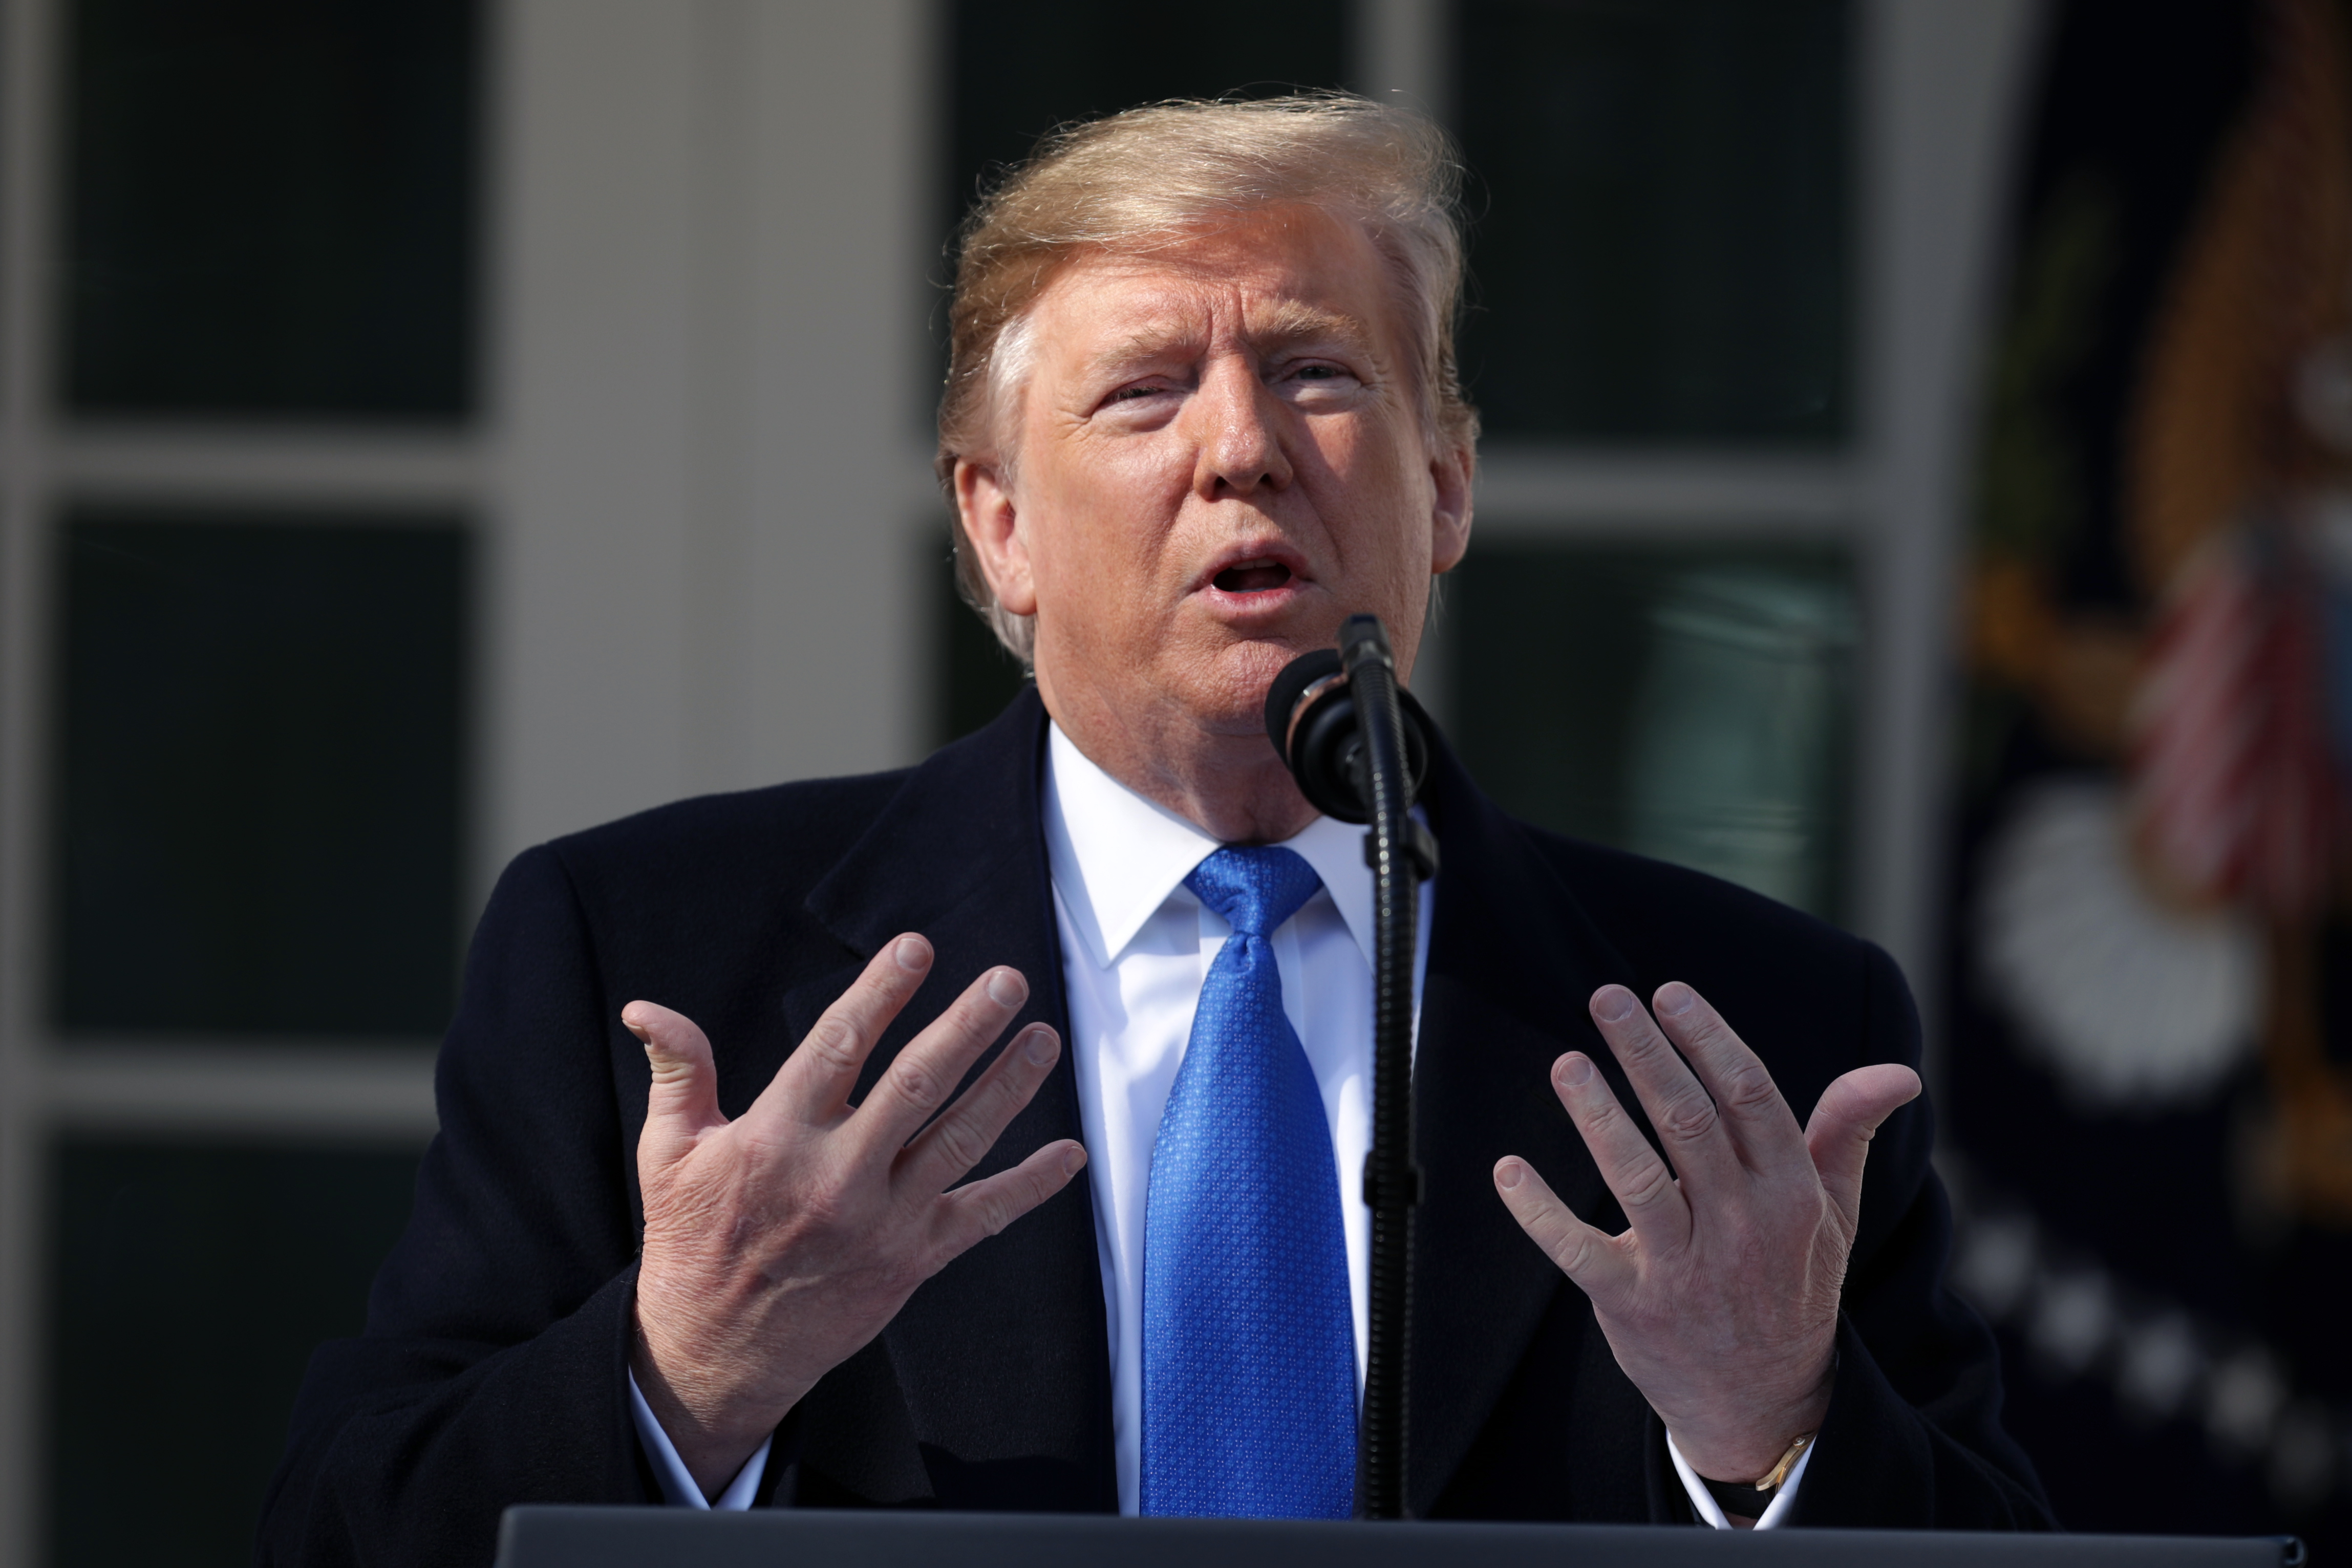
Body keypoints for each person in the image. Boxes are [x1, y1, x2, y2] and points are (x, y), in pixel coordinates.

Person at [261, 95, 2049, 1565]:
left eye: (1318, 373)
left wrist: (1768, 1437)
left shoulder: (1754, 1030)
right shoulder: (656, 962)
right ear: (997, 531)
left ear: (1443, 491)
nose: (1242, 449)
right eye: (1141, 393)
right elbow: (345, 1538)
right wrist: (684, 1372)